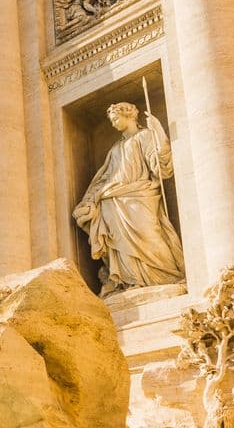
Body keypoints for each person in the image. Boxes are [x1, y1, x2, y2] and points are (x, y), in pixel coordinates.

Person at [73, 101, 187, 295]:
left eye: (116, 118)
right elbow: (104, 177)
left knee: (150, 234)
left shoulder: (145, 136)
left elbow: (161, 168)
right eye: (112, 120)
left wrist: (158, 132)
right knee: (119, 243)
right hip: (112, 200)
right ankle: (130, 281)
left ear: (129, 116)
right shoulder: (115, 149)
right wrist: (89, 200)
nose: (114, 124)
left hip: (140, 195)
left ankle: (168, 277)